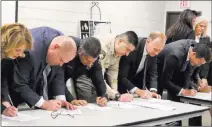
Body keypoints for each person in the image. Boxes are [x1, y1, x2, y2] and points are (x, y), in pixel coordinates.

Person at [10, 26, 77, 111]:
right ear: (55, 47)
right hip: (11, 96)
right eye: (60, 60)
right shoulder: (31, 50)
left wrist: (61, 99)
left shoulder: (62, 41)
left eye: (64, 62)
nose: (61, 64)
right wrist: (44, 104)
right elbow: (20, 84)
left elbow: (58, 73)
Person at [157, 39, 211, 126]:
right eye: (199, 62)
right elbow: (165, 81)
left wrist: (187, 90)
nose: (198, 65)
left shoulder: (194, 48)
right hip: (158, 72)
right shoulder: (175, 55)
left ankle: (176, 123)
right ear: (193, 54)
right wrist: (184, 91)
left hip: (175, 73)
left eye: (201, 64)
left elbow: (188, 73)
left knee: (178, 106)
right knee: (158, 106)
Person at [73, 31, 138, 102]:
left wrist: (115, 92)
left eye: (130, 51)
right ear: (120, 41)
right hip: (85, 70)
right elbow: (99, 75)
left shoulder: (118, 49)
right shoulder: (102, 46)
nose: (127, 54)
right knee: (88, 100)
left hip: (96, 73)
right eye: (127, 49)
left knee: (103, 97)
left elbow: (113, 71)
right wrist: (116, 96)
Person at [118, 32, 166, 99]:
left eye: (159, 50)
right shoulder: (133, 47)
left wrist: (153, 91)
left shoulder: (154, 52)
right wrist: (138, 91)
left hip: (136, 86)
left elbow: (153, 73)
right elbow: (122, 75)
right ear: (148, 41)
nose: (157, 53)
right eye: (155, 49)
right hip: (121, 85)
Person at [64, 36, 107, 106]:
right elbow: (59, 79)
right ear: (80, 51)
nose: (90, 64)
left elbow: (99, 80)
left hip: (80, 72)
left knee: (86, 97)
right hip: (67, 68)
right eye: (87, 60)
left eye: (92, 62)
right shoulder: (69, 48)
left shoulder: (93, 56)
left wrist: (103, 96)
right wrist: (71, 100)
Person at [1, 23, 33, 116]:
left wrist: (5, 101)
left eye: (23, 51)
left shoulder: (8, 59)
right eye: (18, 50)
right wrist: (2, 109)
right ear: (6, 44)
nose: (21, 55)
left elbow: (2, 82)